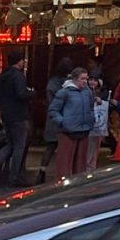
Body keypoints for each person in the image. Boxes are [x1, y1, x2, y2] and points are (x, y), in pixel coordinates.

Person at [0, 50, 35, 187]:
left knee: (11, 144)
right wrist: (31, 93)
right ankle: (15, 177)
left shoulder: (3, 76)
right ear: (18, 61)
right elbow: (21, 94)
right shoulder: (18, 76)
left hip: (7, 115)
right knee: (19, 146)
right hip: (19, 115)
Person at [48, 66, 95, 181]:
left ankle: (79, 185)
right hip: (68, 132)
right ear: (74, 79)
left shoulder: (87, 92)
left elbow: (91, 107)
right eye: (82, 79)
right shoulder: (64, 92)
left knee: (80, 164)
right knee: (64, 164)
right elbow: (53, 110)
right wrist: (64, 122)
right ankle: (62, 186)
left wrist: (91, 118)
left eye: (86, 79)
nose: (85, 81)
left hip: (84, 131)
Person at [35, 56, 73, 184]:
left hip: (52, 118)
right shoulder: (70, 83)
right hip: (66, 118)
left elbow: (49, 99)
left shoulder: (52, 82)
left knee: (50, 147)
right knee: (65, 147)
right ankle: (63, 173)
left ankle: (42, 171)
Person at [86, 72, 110, 172]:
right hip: (88, 125)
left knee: (94, 148)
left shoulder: (103, 93)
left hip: (97, 126)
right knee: (88, 148)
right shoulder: (85, 91)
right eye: (90, 79)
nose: (92, 82)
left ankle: (91, 168)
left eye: (95, 80)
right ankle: (87, 168)